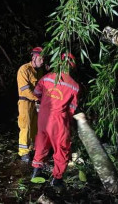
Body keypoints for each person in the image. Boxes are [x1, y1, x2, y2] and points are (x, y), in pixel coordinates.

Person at [31, 52, 79, 191]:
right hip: (58, 118)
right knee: (61, 147)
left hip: (43, 115)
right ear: (71, 66)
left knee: (41, 142)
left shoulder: (47, 77)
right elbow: (72, 109)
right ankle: (57, 179)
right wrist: (67, 122)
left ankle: (36, 172)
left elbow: (37, 93)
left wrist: (45, 103)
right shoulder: (74, 85)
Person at [16, 47, 45, 162]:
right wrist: (38, 99)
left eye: (43, 59)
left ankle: (32, 148)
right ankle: (24, 153)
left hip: (35, 103)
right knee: (25, 126)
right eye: (41, 59)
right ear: (34, 57)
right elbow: (25, 89)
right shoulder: (24, 69)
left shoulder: (39, 71)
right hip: (25, 102)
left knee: (34, 127)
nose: (42, 62)